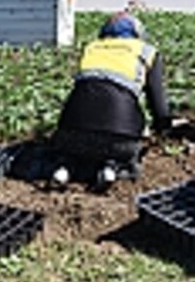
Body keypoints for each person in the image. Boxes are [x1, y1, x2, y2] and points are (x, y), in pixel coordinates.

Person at [50, 12, 171, 188]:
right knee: (120, 150)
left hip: (71, 134)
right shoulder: (147, 52)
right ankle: (113, 168)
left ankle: (65, 168)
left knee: (78, 150)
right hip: (120, 139)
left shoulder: (91, 48)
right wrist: (163, 130)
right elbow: (159, 106)